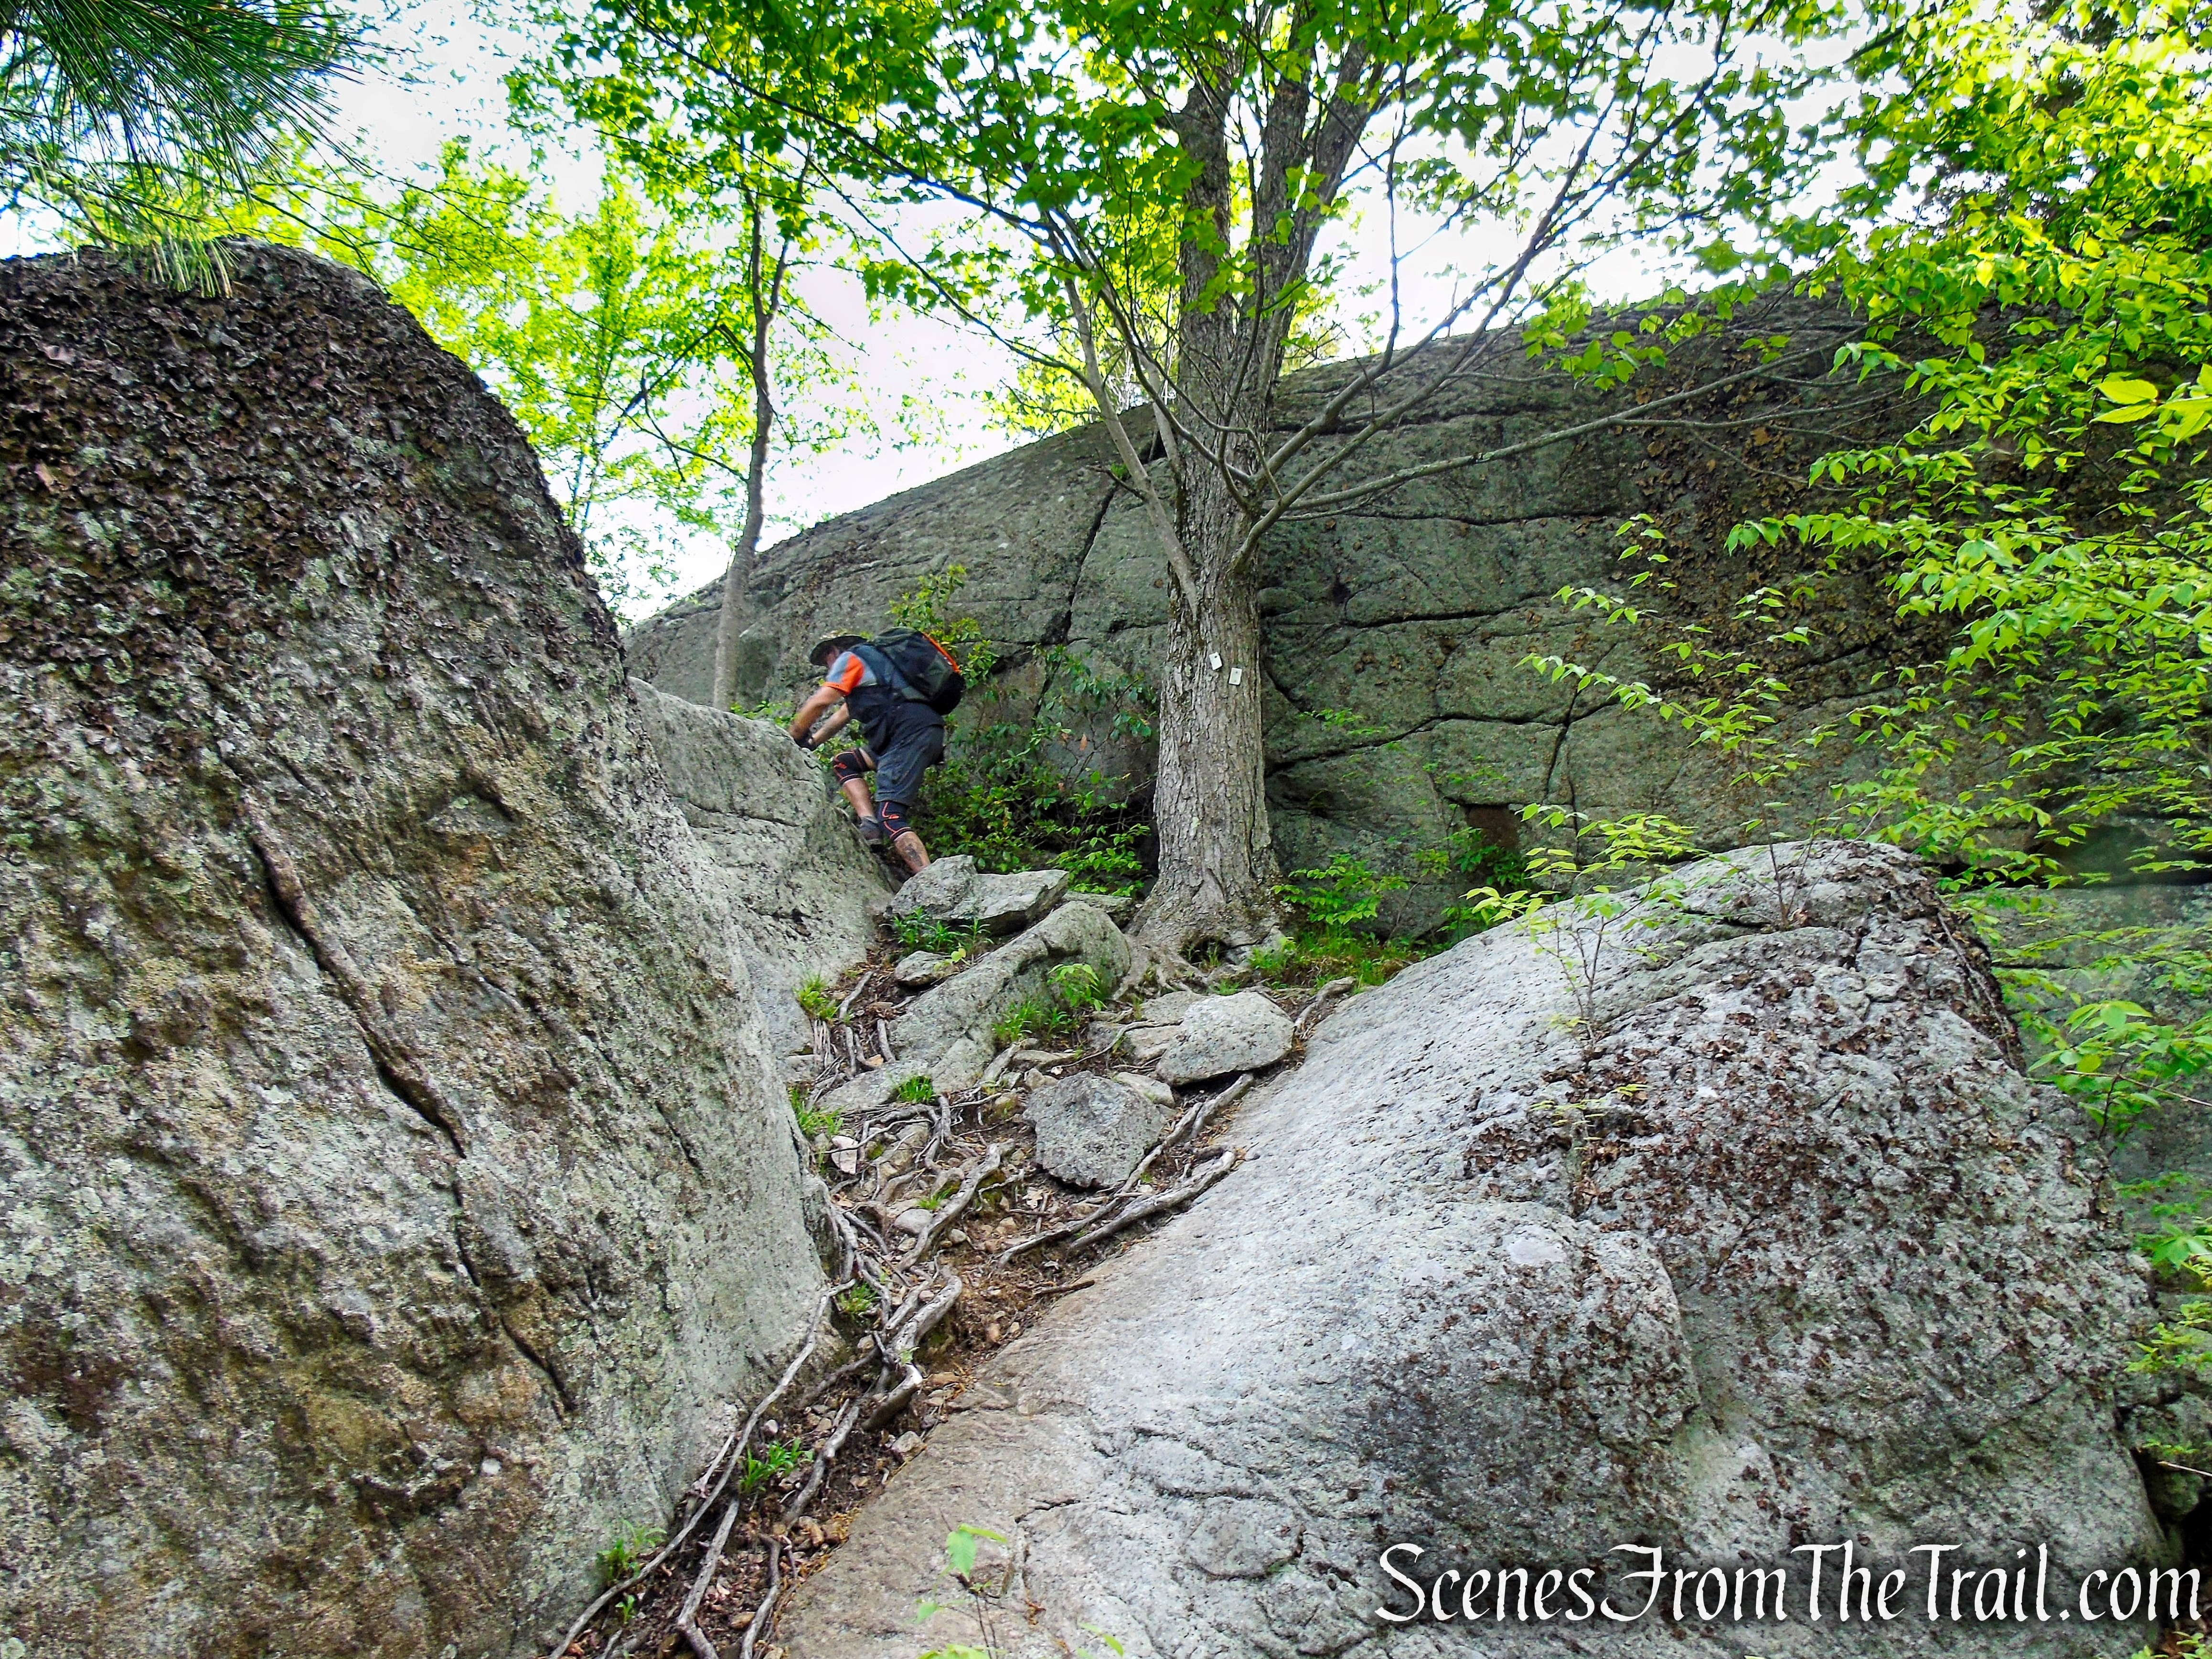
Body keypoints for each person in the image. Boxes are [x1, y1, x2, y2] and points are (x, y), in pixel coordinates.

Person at [789, 630, 948, 875]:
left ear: (833, 651)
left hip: (910, 735)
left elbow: (821, 702)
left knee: (891, 815)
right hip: (911, 734)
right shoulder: (876, 666)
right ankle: (869, 825)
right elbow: (842, 714)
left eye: (825, 661)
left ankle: (931, 883)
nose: (827, 667)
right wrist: (813, 742)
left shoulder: (850, 659)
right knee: (845, 763)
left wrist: (794, 735)